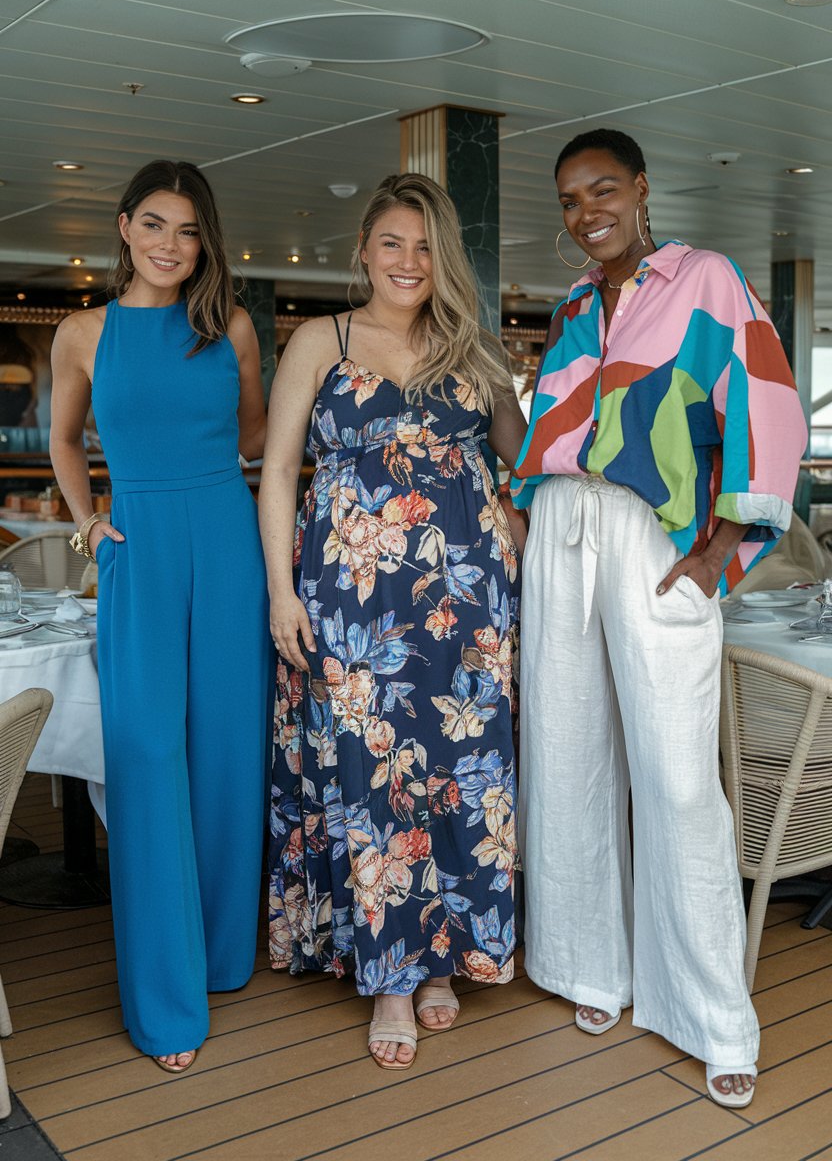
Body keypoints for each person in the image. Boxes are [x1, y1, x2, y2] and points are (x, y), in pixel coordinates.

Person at [511, 128, 807, 1108]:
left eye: (601, 188)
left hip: (651, 539)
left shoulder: (707, 281)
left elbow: (768, 404)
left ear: (639, 189)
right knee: (566, 751)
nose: (585, 209)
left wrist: (724, 545)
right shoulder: (570, 309)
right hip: (559, 533)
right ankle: (592, 968)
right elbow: (558, 435)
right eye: (567, 198)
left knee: (678, 780)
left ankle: (715, 1017)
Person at [261, 173, 526, 1071]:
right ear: (362, 251)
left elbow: (523, 463)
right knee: (375, 773)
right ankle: (389, 976)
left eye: (425, 247)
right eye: (391, 244)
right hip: (353, 595)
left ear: (442, 256)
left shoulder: (475, 348)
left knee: (463, 770)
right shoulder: (318, 341)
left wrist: (523, 541)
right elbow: (280, 473)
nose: (408, 262)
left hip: (468, 601)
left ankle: (445, 953)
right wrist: (280, 592)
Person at [50, 160, 272, 1074]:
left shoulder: (234, 328)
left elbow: (258, 433)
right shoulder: (80, 333)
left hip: (226, 543)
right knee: (146, 757)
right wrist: (88, 523)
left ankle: (223, 957)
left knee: (226, 751)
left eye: (187, 230)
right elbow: (65, 440)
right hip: (136, 548)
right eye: (154, 225)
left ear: (205, 238)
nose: (170, 245)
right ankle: (165, 998)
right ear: (124, 226)